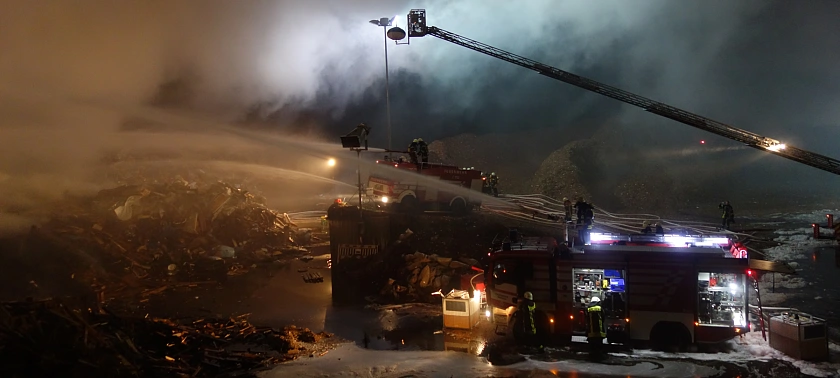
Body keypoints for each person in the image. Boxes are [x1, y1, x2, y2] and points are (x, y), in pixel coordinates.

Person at [586, 296, 606, 361]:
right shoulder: (600, 308)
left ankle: (592, 356)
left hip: (591, 331)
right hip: (599, 331)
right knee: (599, 344)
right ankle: (599, 356)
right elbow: (603, 317)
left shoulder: (588, 308)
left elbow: (586, 319)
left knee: (592, 345)